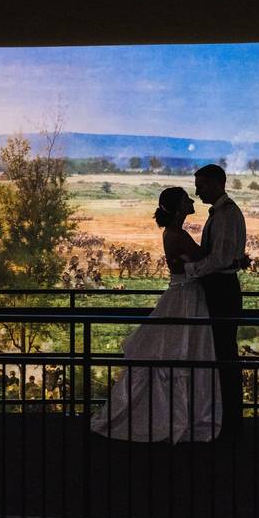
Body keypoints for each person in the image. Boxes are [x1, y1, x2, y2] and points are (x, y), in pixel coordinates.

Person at [90, 186, 222, 442]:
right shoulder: (178, 234)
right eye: (186, 199)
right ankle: (180, 415)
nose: (191, 200)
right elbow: (206, 258)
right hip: (186, 296)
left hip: (181, 292)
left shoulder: (173, 232)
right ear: (178, 207)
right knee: (184, 349)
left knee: (175, 348)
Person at [184, 164, 247, 439]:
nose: (197, 192)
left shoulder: (225, 215)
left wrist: (189, 270)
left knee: (224, 353)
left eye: (201, 186)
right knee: (223, 352)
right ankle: (226, 418)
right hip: (222, 288)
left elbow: (220, 259)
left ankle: (229, 422)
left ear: (217, 184)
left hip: (222, 290)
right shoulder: (223, 213)